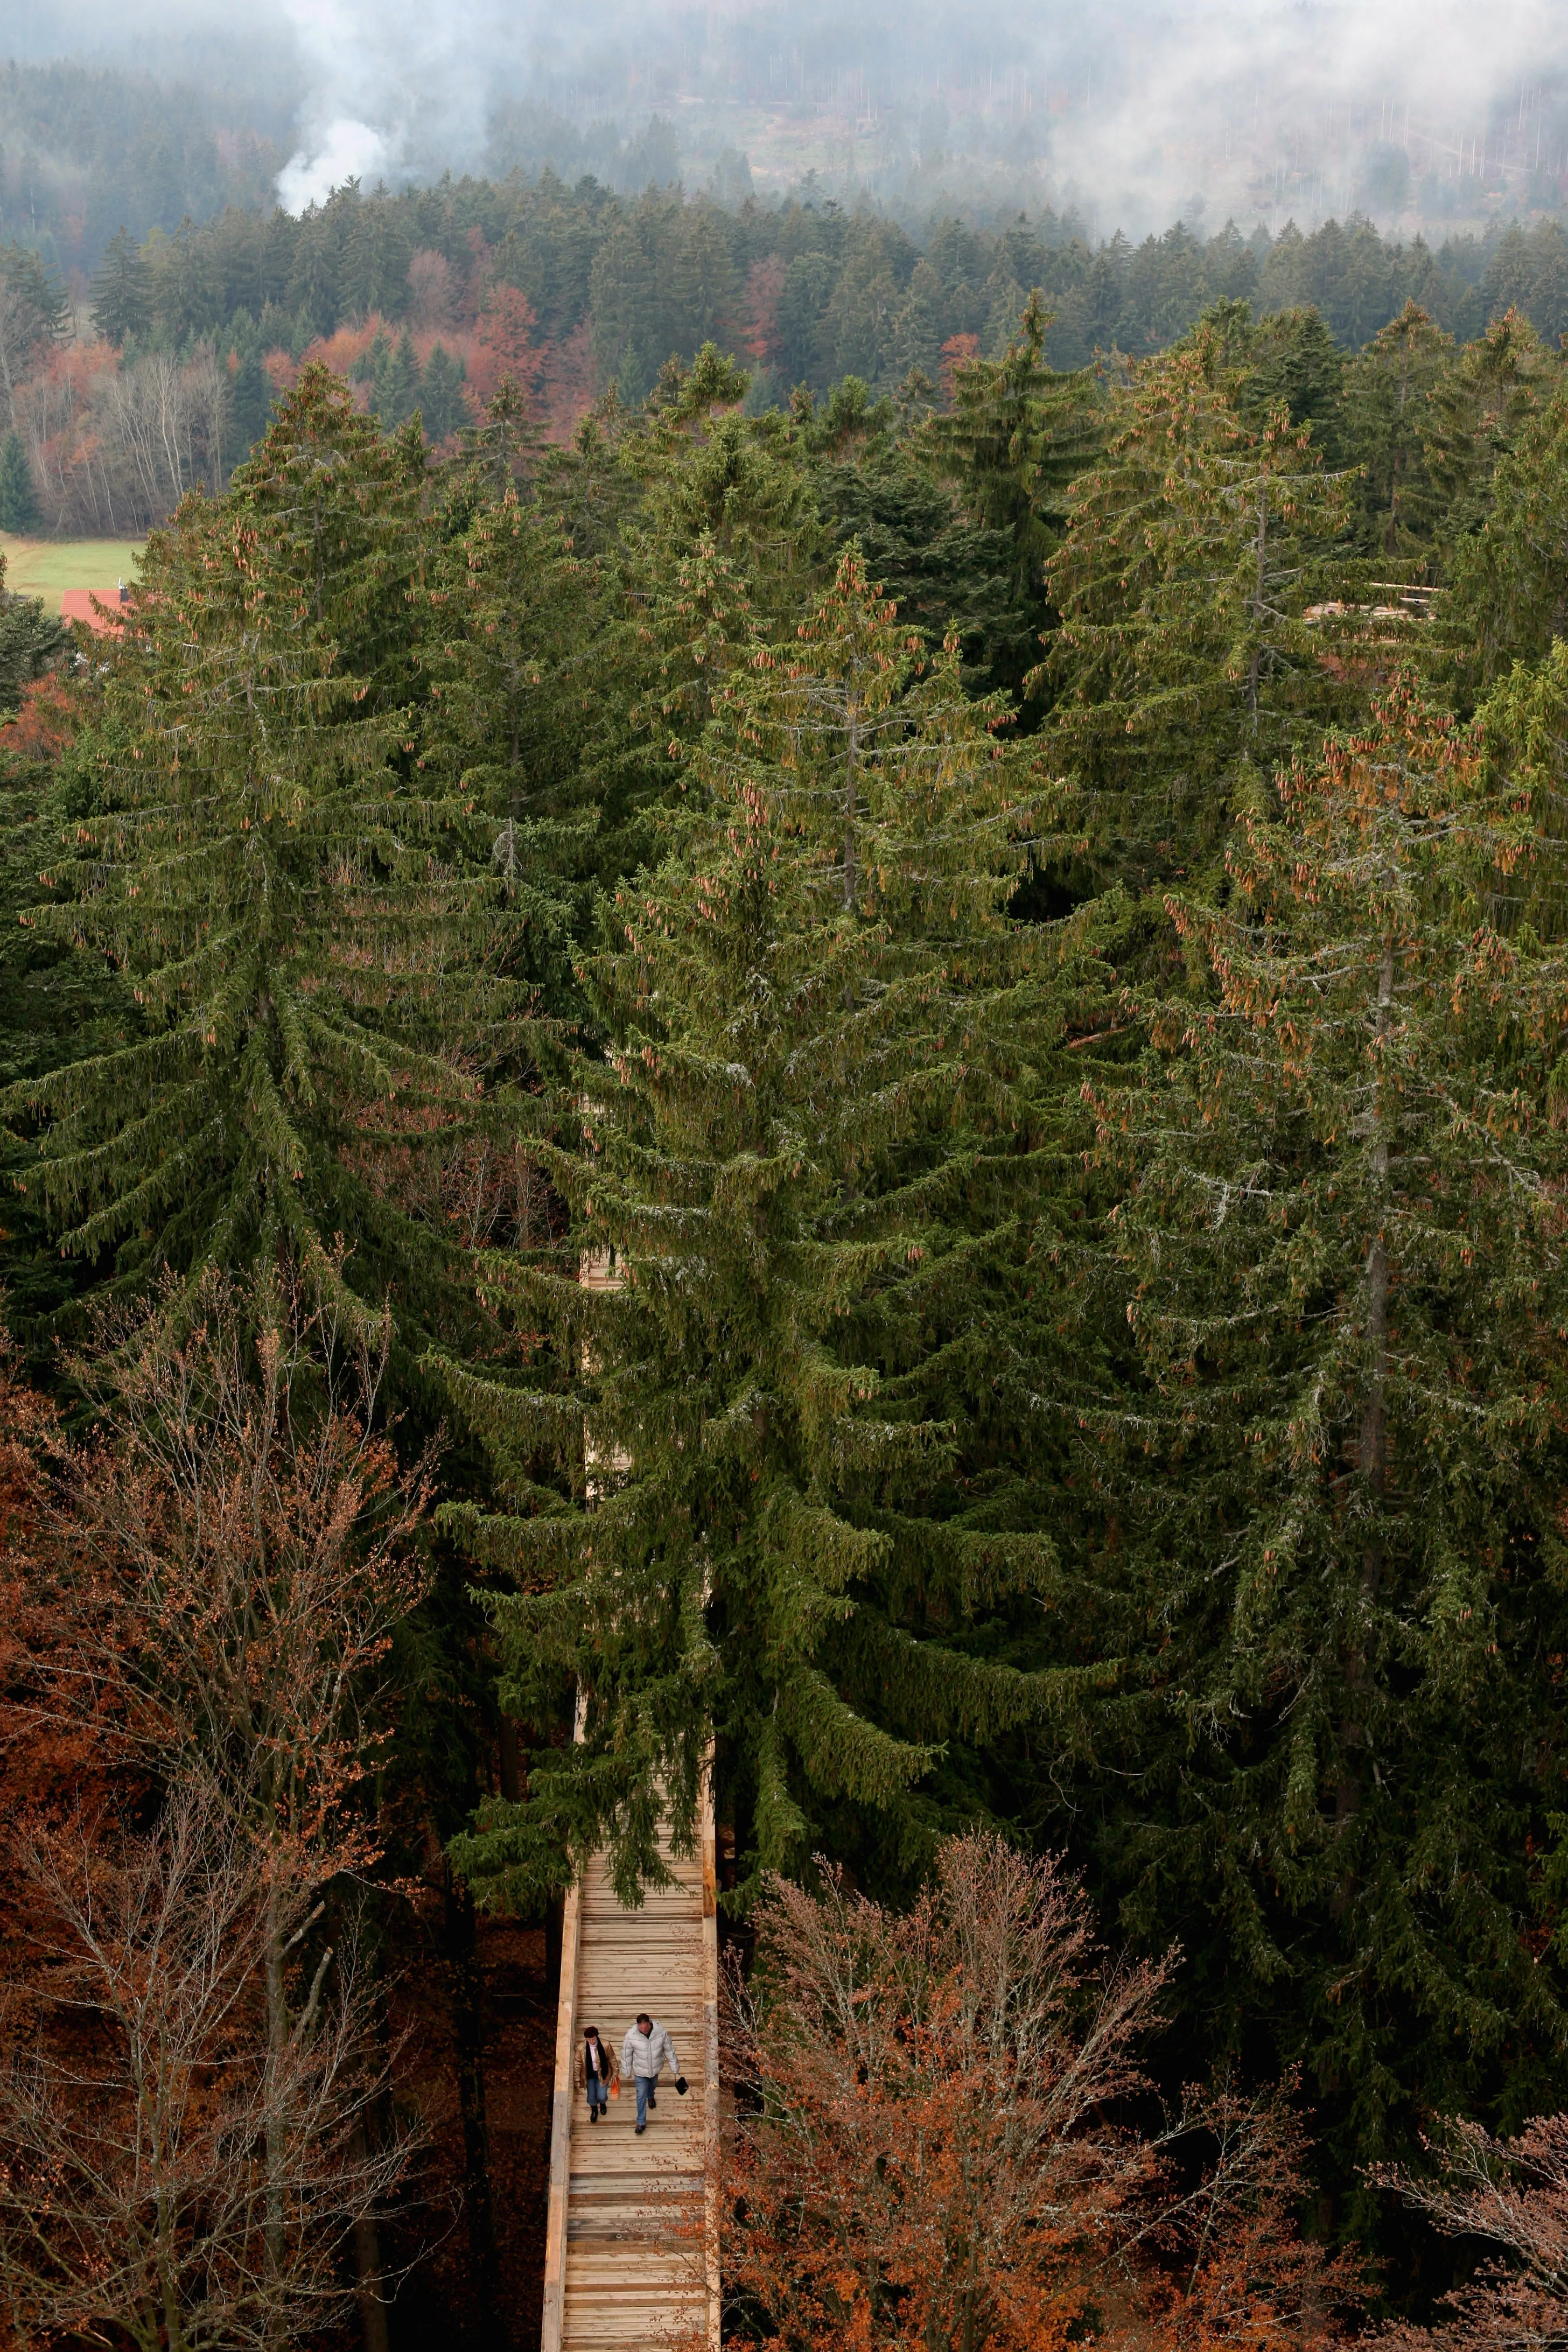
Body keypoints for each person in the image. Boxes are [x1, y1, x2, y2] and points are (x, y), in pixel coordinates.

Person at [621, 2011, 678, 2134]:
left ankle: (651, 2096)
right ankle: (641, 2122)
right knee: (641, 2095)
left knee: (653, 2086)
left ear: (649, 2024)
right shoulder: (631, 2035)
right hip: (640, 2071)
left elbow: (669, 2050)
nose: (644, 2030)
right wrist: (627, 2070)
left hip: (655, 2068)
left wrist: (674, 2067)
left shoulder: (660, 2032)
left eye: (645, 2027)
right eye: (641, 2028)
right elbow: (626, 2054)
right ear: (637, 2026)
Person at [573, 2025, 617, 2122]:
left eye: (593, 2039)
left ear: (596, 2037)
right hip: (589, 2074)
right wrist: (577, 2078)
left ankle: (602, 2104)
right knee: (591, 2097)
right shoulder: (581, 2048)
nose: (592, 2042)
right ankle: (594, 2110)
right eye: (589, 2040)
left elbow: (612, 2059)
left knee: (602, 2096)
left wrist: (615, 2072)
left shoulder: (606, 2045)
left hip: (603, 2073)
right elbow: (578, 2063)